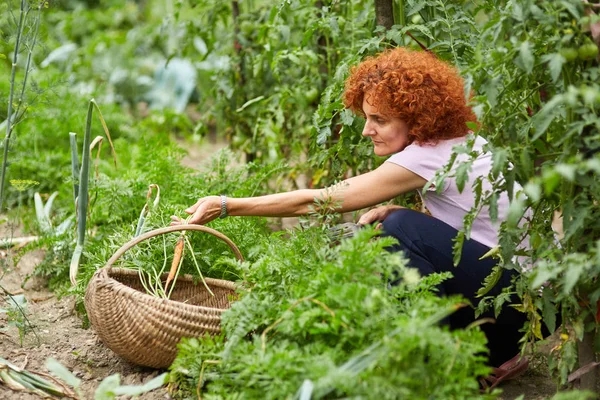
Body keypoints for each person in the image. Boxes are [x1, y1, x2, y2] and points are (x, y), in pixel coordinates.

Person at [171, 47, 528, 384]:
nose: (366, 130)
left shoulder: (428, 156)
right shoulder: (460, 141)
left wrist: (227, 205)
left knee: (397, 228)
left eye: (379, 120)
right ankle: (455, 354)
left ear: (417, 119)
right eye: (367, 117)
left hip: (514, 310)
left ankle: (435, 358)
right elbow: (476, 229)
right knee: (392, 226)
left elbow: (322, 201)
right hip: (527, 307)